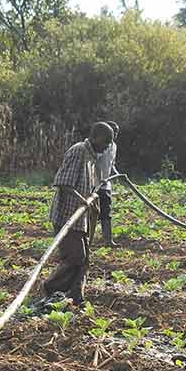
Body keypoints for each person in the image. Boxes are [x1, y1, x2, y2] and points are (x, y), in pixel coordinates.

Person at [43, 122, 113, 305]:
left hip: (79, 219)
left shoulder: (91, 157)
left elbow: (86, 186)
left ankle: (76, 296)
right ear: (96, 137)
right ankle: (51, 289)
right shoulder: (79, 151)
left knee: (84, 259)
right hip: (67, 217)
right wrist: (83, 201)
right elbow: (63, 183)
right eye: (106, 142)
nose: (107, 147)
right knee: (75, 257)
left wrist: (92, 201)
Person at [95, 120, 119, 247]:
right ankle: (87, 238)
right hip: (94, 185)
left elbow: (111, 164)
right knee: (92, 213)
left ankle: (108, 240)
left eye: (116, 132)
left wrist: (117, 175)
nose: (115, 134)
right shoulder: (101, 145)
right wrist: (100, 179)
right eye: (114, 131)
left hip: (106, 186)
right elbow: (95, 163)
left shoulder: (114, 146)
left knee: (106, 213)